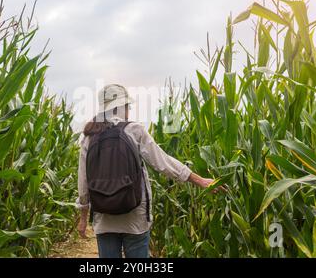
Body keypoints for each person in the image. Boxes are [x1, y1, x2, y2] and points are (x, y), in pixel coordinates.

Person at [76, 84, 223, 258]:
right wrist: (200, 180)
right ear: (121, 107)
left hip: (104, 218)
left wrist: (83, 218)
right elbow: (163, 163)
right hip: (135, 217)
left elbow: (83, 182)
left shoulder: (89, 136)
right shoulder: (134, 130)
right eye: (127, 106)